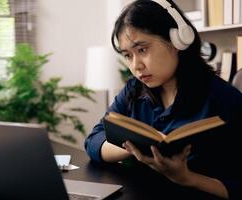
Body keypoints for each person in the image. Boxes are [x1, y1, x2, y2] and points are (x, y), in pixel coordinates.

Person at [84, 0, 242, 199]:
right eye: (127, 55)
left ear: (177, 40)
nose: (136, 66)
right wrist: (134, 146)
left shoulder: (224, 99)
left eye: (142, 50)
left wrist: (187, 178)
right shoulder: (134, 90)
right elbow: (94, 141)